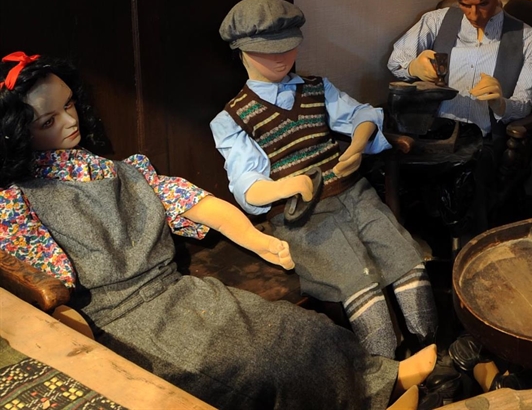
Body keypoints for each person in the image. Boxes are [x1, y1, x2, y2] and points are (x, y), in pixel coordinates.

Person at [0, 53, 438, 410]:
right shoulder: (18, 201)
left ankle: (382, 381)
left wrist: (262, 242)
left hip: (175, 290)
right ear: (18, 133)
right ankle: (374, 396)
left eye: (70, 105)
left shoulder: (118, 170)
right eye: (48, 121)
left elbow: (193, 202)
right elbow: (47, 290)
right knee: (256, 366)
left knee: (291, 327)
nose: (69, 122)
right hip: (122, 319)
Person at [210, 0, 436, 359]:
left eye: (288, 47)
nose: (281, 58)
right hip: (304, 218)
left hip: (355, 195)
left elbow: (363, 113)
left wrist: (357, 145)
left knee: (405, 259)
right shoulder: (233, 119)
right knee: (357, 281)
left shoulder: (317, 88)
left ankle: (428, 352)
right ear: (241, 51)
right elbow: (247, 188)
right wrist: (286, 186)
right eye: (266, 51)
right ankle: (388, 370)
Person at [386, 0, 532, 235]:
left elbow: (525, 104)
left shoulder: (527, 39)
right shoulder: (436, 22)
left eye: (482, 4)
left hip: (485, 138)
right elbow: (395, 61)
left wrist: (501, 103)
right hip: (434, 131)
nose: (473, 14)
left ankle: (466, 256)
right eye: (465, 4)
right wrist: (414, 68)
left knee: (471, 178)